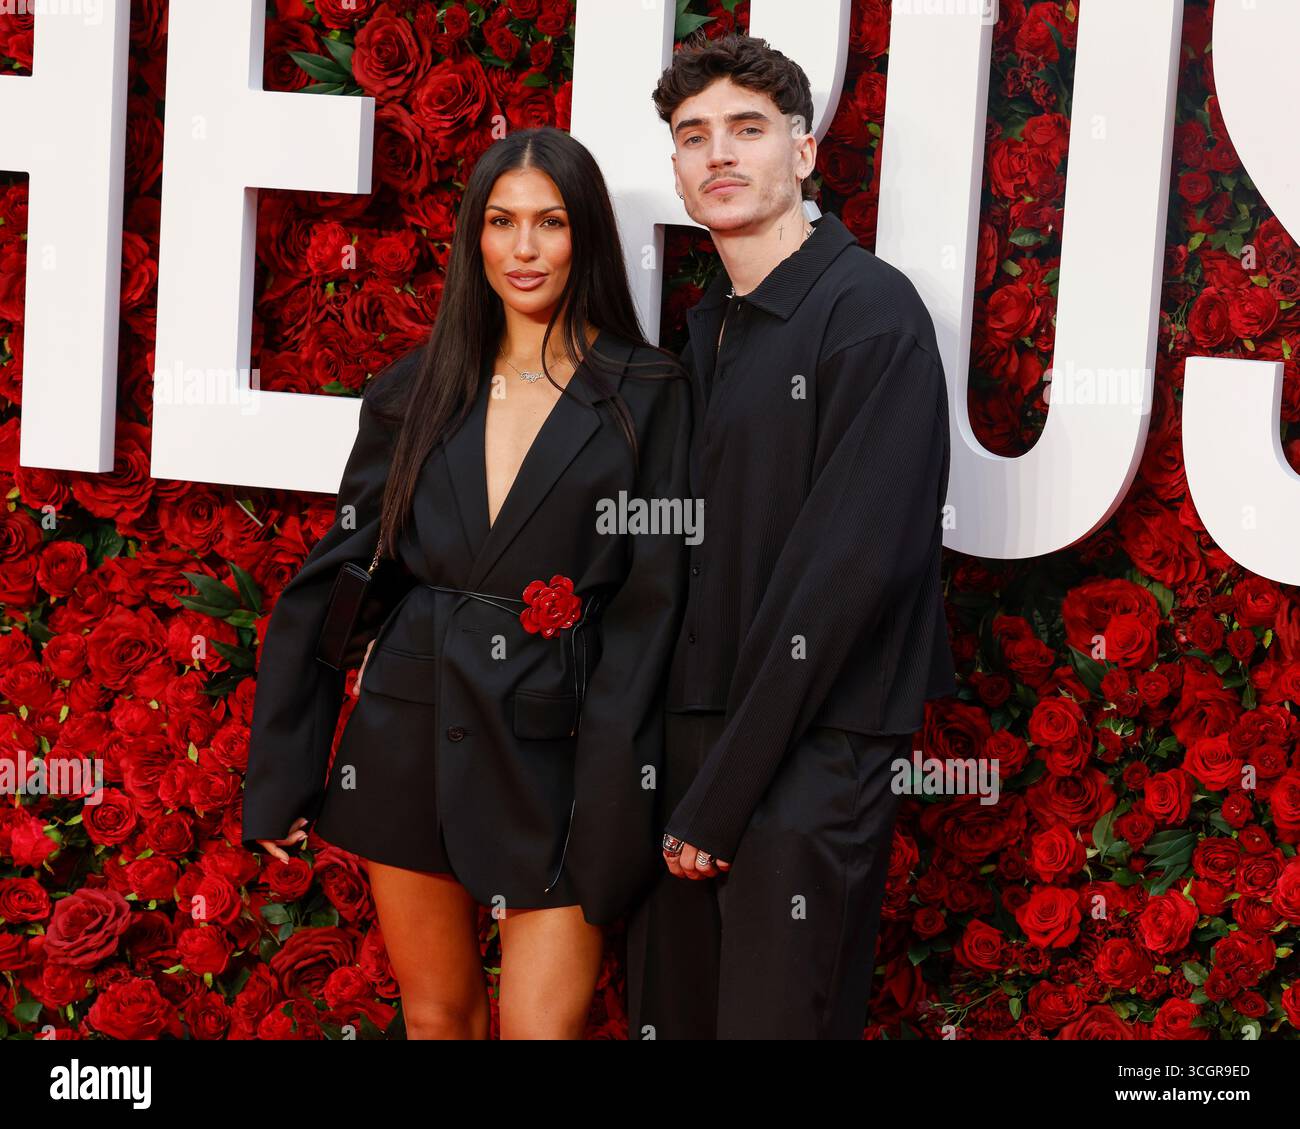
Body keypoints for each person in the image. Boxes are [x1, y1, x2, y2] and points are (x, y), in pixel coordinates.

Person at [240, 127, 693, 1040]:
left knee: (541, 1029)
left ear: (587, 237)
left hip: (561, 752)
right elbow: (340, 577)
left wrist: (624, 788)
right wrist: (285, 771)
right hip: (409, 728)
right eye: (502, 222)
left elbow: (657, 605)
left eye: (550, 223)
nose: (524, 249)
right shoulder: (412, 392)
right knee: (438, 1016)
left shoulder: (649, 393)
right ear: (474, 239)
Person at [627, 32, 958, 1039]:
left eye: (747, 129)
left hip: (808, 756)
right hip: (698, 750)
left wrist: (719, 797)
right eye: (693, 135)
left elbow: (842, 579)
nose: (717, 153)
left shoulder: (869, 315)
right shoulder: (709, 324)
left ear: (803, 153)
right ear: (677, 167)